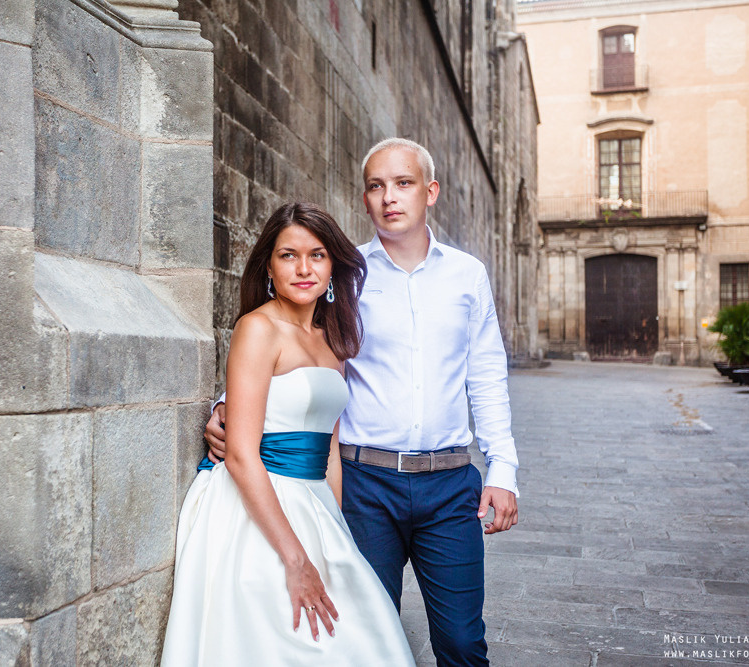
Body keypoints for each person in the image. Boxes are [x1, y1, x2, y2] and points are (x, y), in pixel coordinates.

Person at [206, 138, 519, 667]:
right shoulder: (344, 275)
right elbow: (299, 345)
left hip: (449, 483)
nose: (389, 197)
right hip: (365, 485)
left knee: (465, 644)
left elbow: (485, 373)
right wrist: (229, 405)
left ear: (431, 192)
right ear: (365, 198)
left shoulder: (467, 275)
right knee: (365, 635)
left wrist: (503, 468)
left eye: (403, 183)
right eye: (376, 186)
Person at [161, 202, 415, 667]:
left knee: (355, 632)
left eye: (317, 255)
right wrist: (295, 559)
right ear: (269, 266)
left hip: (314, 501)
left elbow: (331, 450)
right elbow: (239, 454)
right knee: (287, 638)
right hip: (255, 499)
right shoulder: (257, 329)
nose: (304, 268)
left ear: (333, 264)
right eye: (288, 255)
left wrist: (334, 528)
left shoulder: (332, 339)